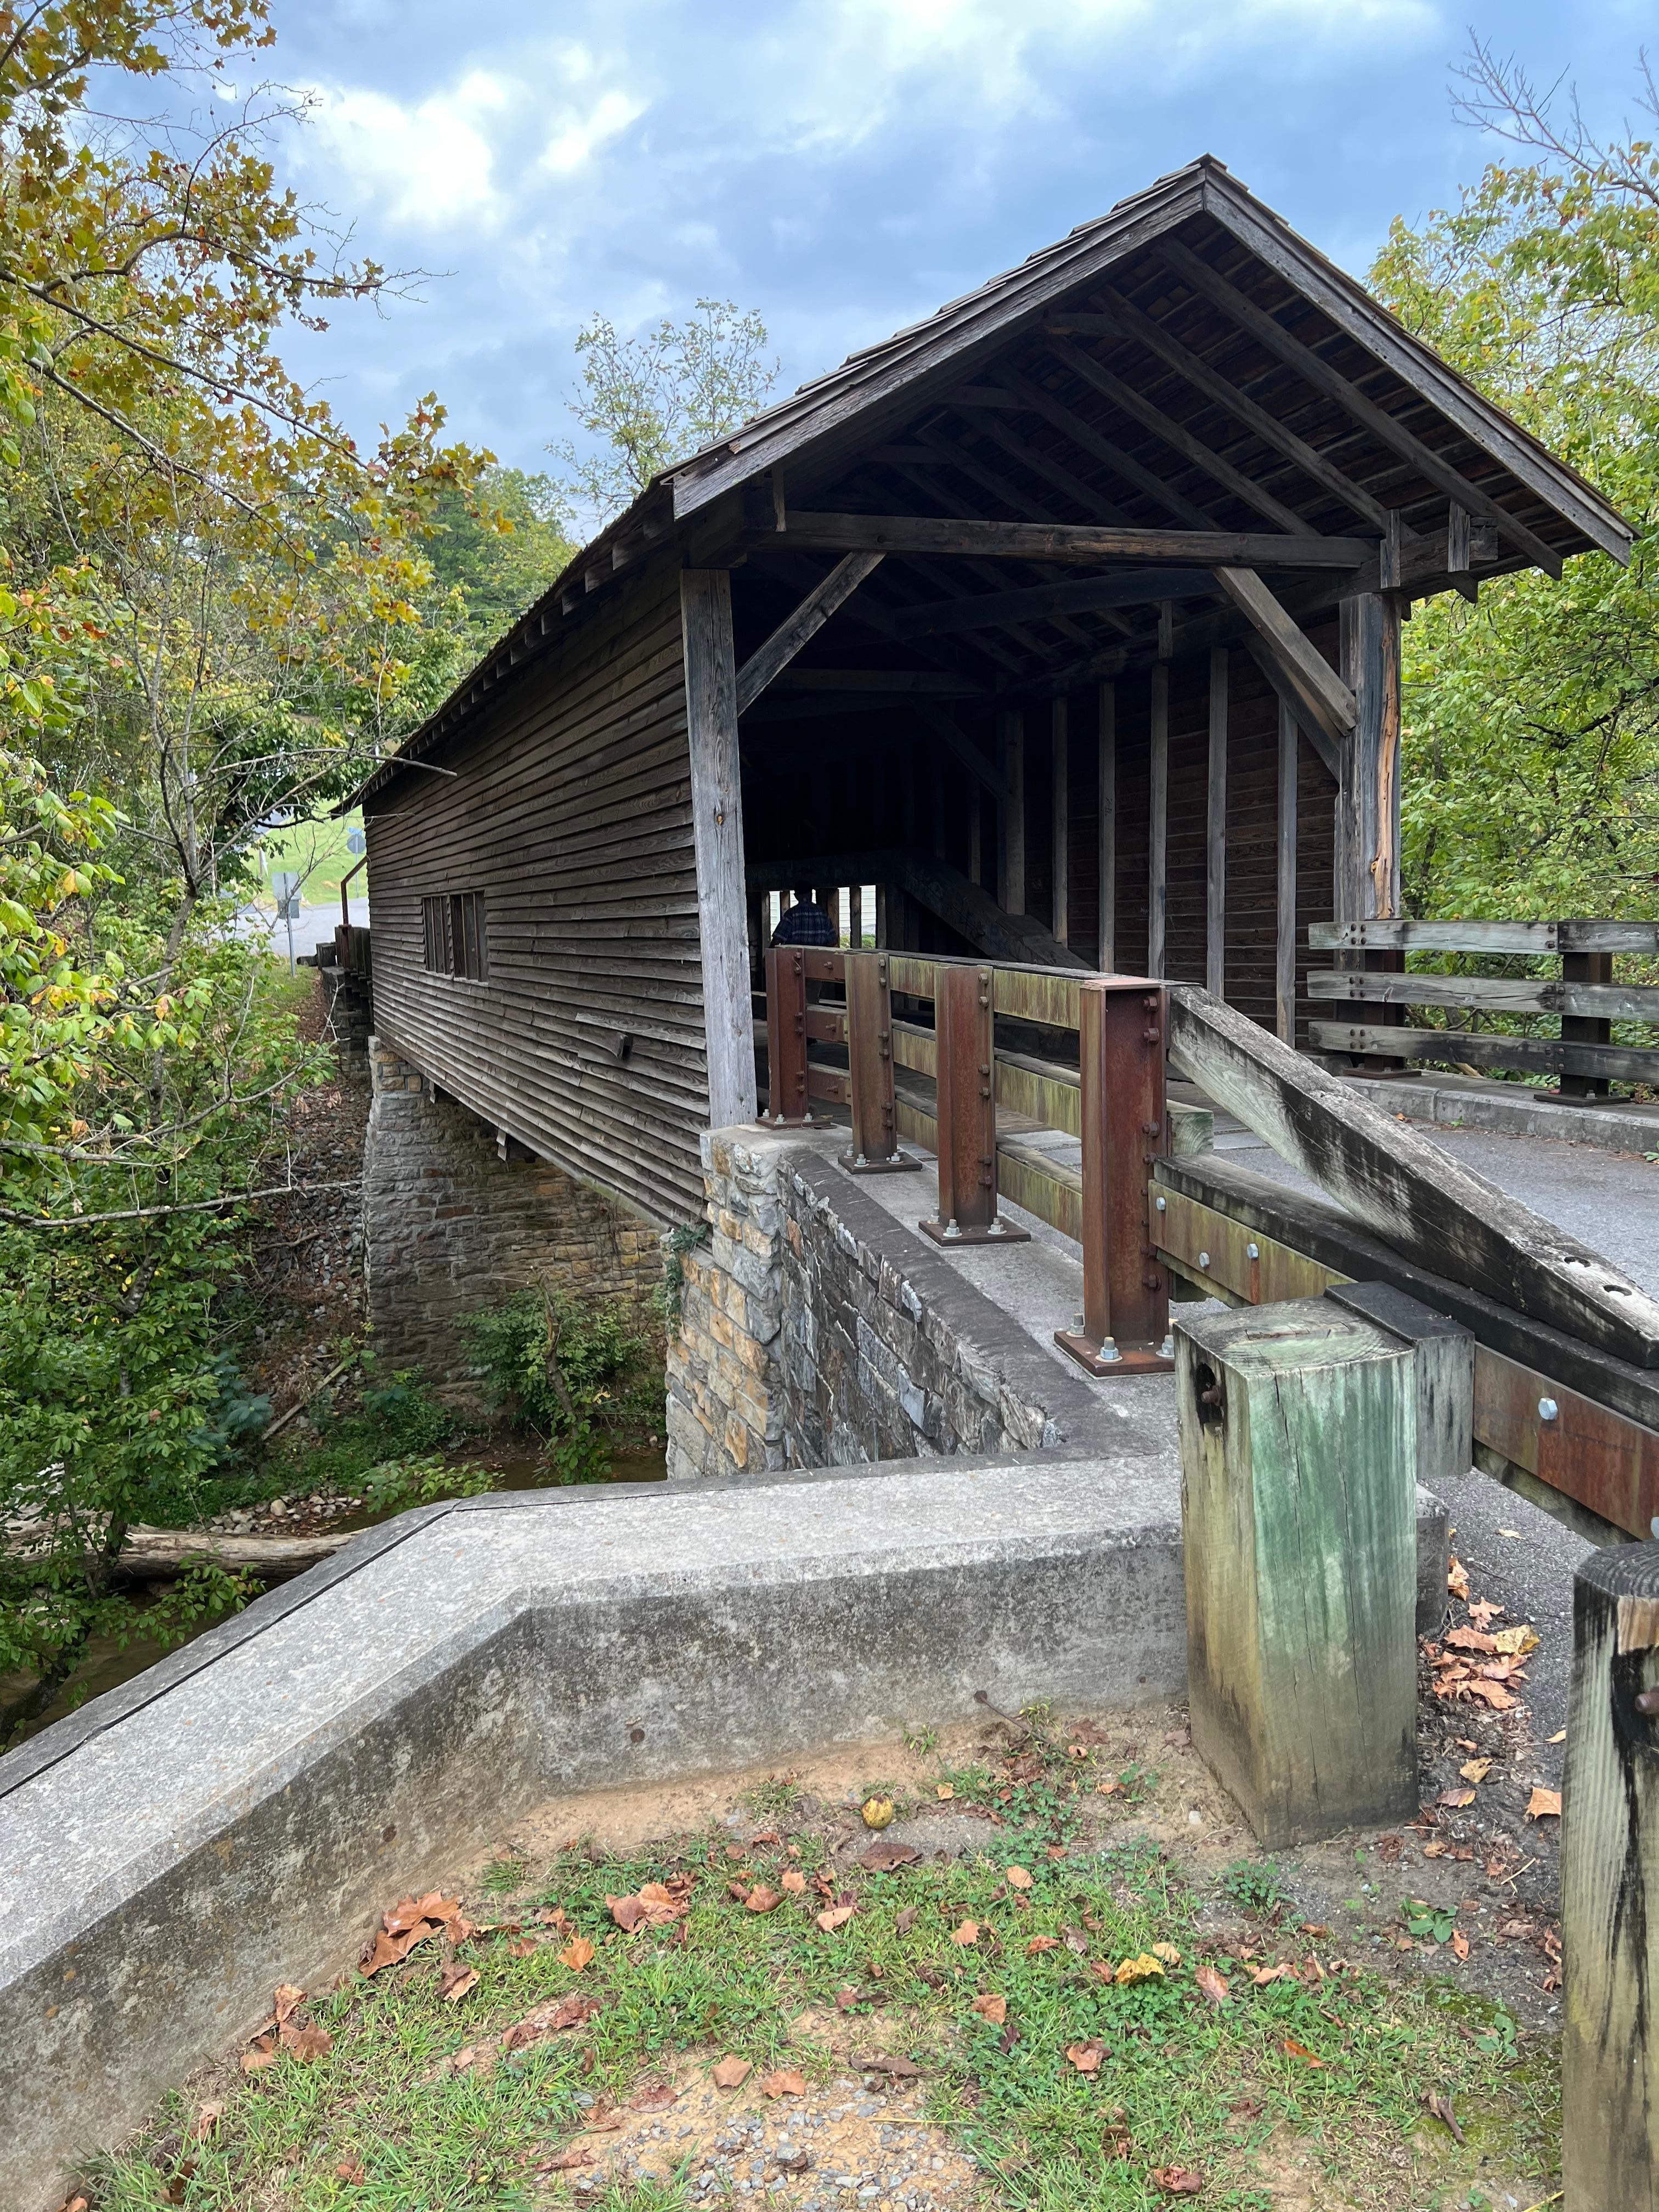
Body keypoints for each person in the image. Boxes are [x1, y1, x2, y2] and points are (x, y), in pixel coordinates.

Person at [770, 885, 837, 947]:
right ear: (811, 894)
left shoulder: (791, 914)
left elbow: (777, 940)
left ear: (796, 896)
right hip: (819, 958)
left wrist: (768, 955)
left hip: (795, 958)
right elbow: (833, 941)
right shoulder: (823, 913)